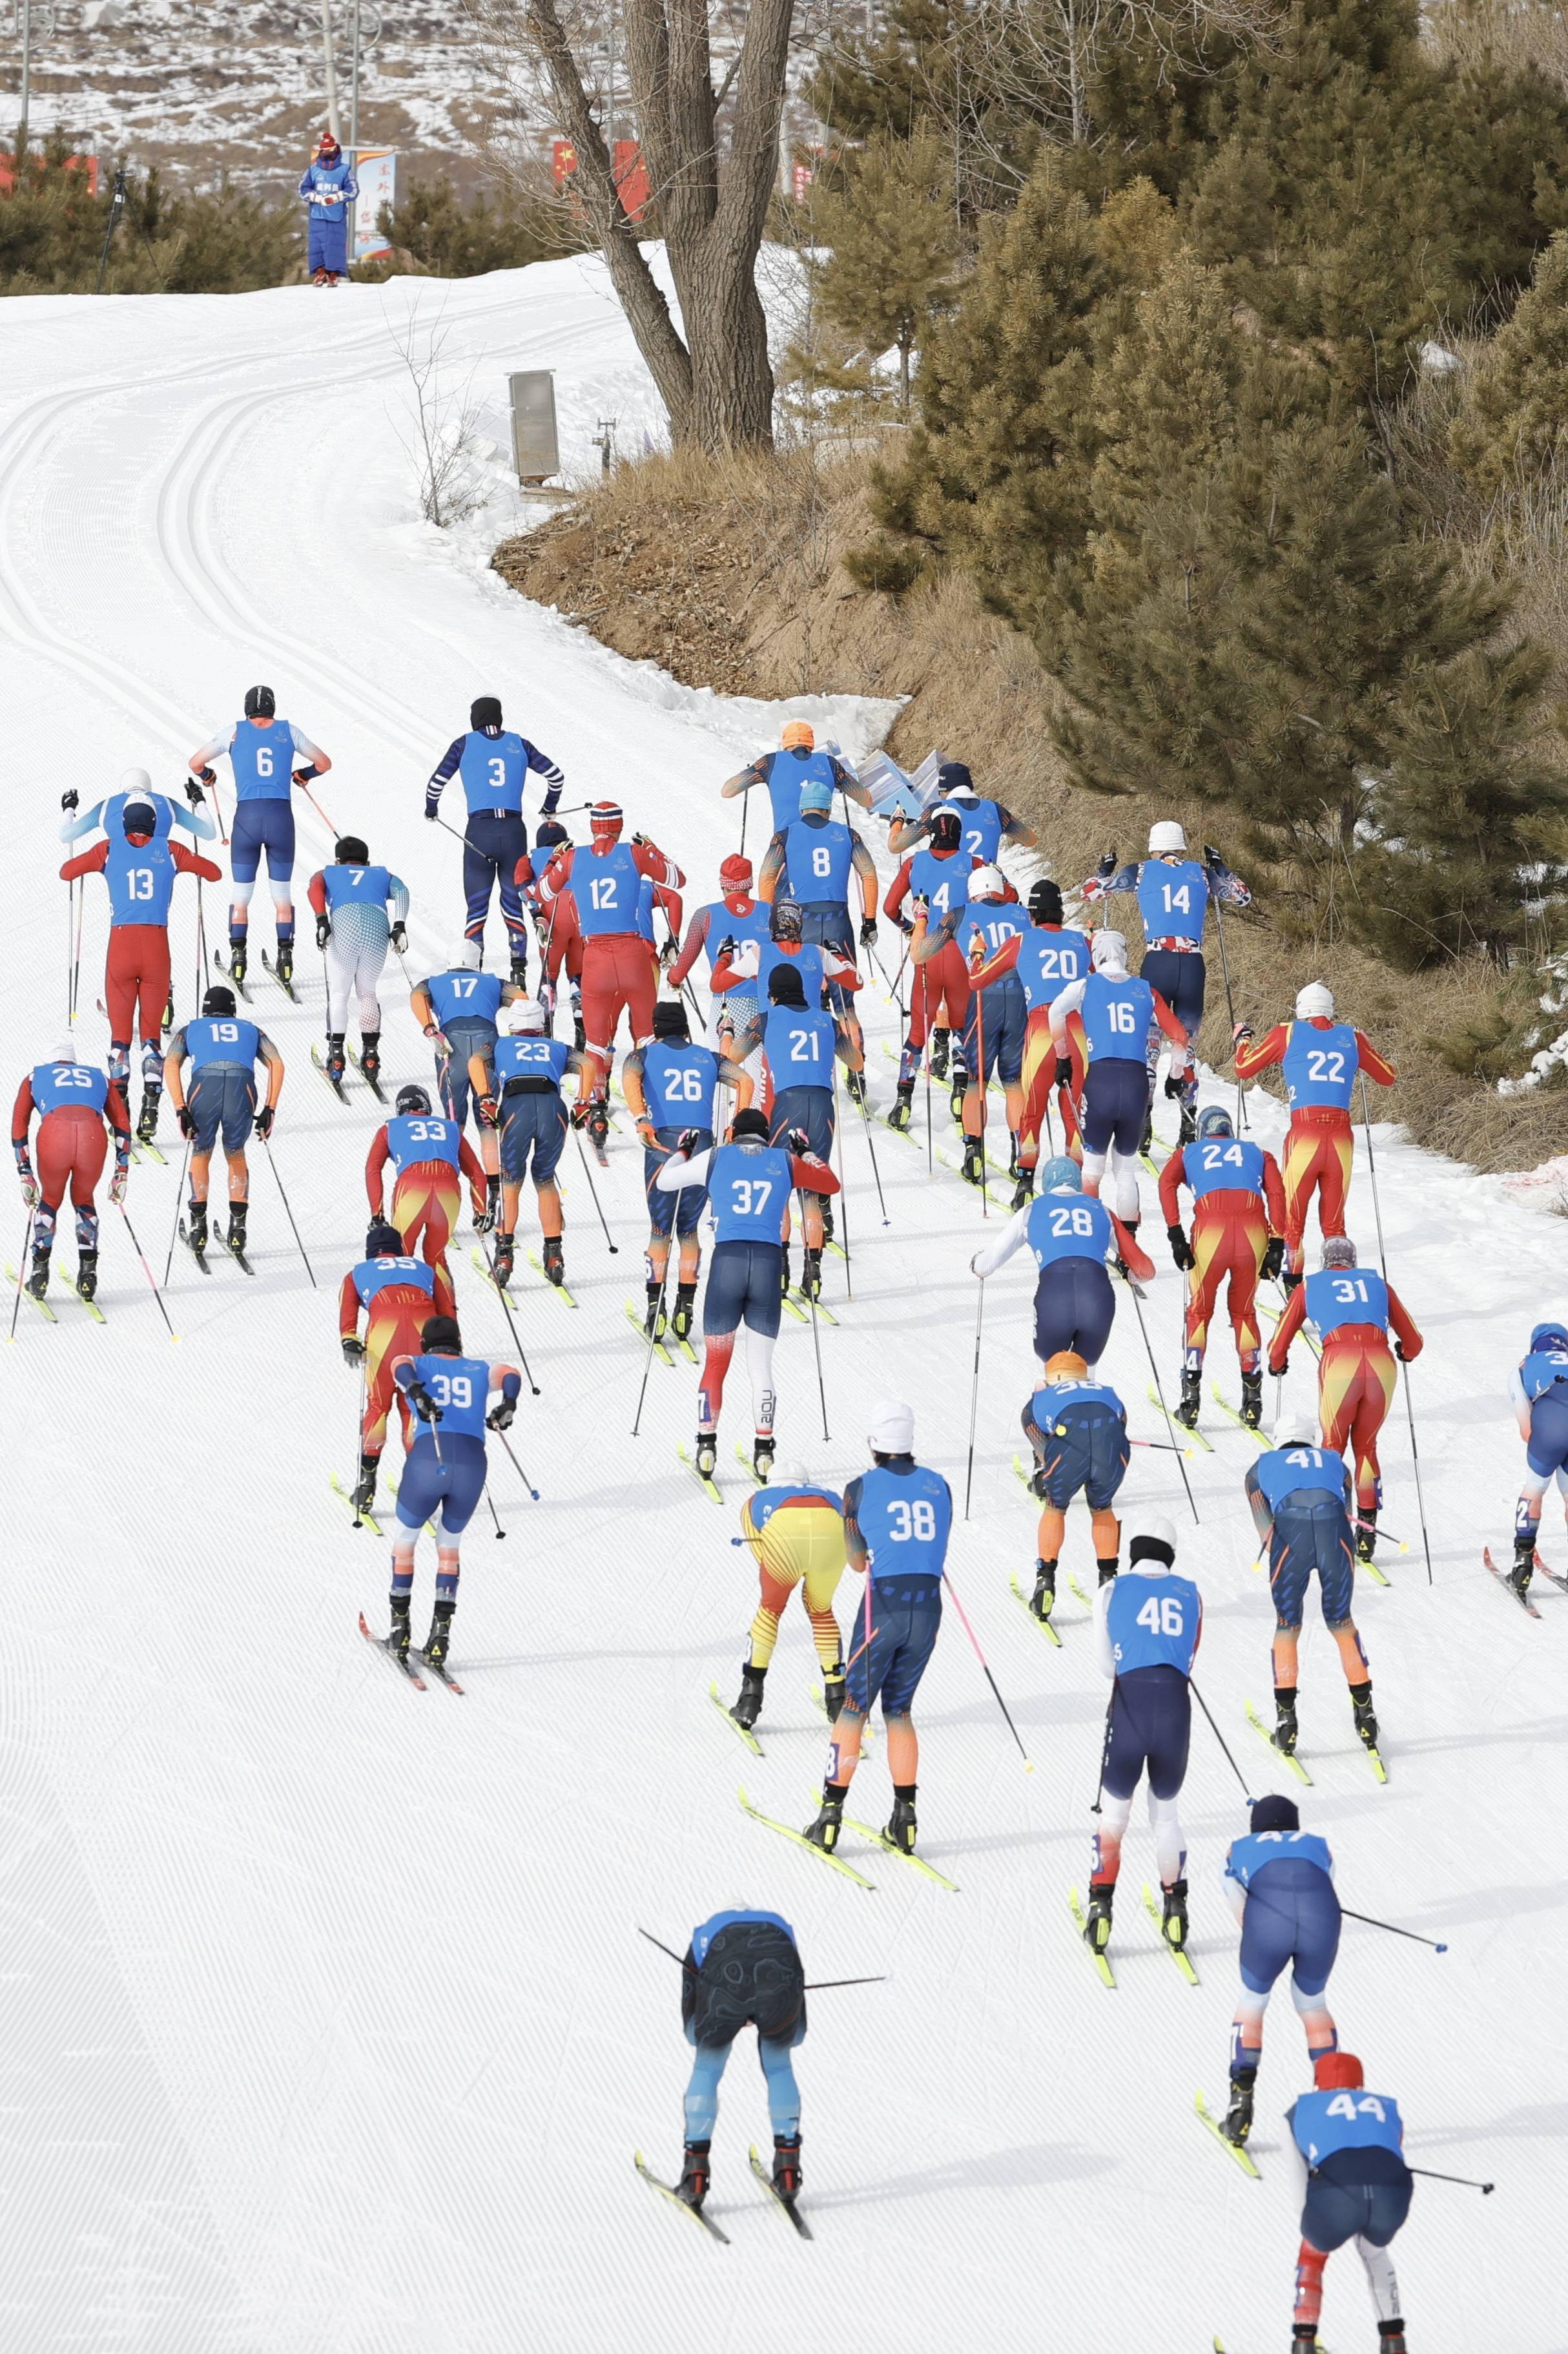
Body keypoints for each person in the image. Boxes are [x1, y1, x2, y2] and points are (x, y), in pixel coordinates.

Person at [655, 1109, 840, 1482]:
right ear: (767, 1136)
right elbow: (830, 1183)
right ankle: (764, 1453)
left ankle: (707, 1447)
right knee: (761, 1367)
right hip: (769, 1265)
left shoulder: (717, 1156)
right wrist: (804, 1152)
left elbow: (665, 1183)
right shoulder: (783, 1160)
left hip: (729, 1264)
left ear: (733, 1133)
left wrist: (684, 1151)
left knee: (716, 1363)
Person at [803, 1401, 949, 1859]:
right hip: (927, 1609)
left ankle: (830, 1817)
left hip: (883, 1606)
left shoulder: (858, 1489)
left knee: (853, 1706)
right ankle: (905, 1820)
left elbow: (855, 1562)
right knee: (900, 1710)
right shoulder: (940, 1486)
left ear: (874, 1446)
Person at [59, 795, 223, 1142]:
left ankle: (121, 1113)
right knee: (150, 1037)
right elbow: (214, 873)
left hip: (120, 947)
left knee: (120, 1038)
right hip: (156, 948)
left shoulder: (108, 848)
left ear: (124, 825)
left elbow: (66, 872)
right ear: (153, 824)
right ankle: (151, 1107)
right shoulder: (171, 849)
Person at [1080, 822, 1251, 1138]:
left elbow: (1089, 892)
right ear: (1183, 846)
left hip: (1158, 961)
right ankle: (1189, 1120)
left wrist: (1103, 871)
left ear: (1153, 846)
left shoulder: (1142, 871)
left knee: (1150, 1044)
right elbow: (1243, 897)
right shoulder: (1201, 873)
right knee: (1185, 1044)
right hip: (1193, 964)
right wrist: (1222, 869)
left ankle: (1143, 1119)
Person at [1081, 1517, 1200, 1961]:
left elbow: (1107, 1668)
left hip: (1129, 1709)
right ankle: (1175, 1909)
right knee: (1165, 1817)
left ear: (1134, 1552)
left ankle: (1101, 1909)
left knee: (1115, 1818)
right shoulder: (1191, 1593)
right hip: (1174, 1710)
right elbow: (1188, 1657)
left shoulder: (1111, 1591)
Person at [1267, 1235, 1423, 1574]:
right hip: (1382, 1363)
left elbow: (1281, 1338)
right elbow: (1414, 1341)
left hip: (1340, 1363)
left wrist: (1277, 1362)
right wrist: (1404, 1353)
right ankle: (1366, 1532)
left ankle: (1326, 1528)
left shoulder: (1310, 1285)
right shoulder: (1377, 1283)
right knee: (1366, 1446)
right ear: (1353, 1261)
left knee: (1332, 1448)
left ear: (1325, 1262)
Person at [536, 802, 685, 1148]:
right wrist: (651, 848)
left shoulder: (573, 858)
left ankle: (591, 1103)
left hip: (596, 957)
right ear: (619, 827)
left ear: (592, 829)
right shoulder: (633, 853)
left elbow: (540, 892)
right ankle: (652, 1103)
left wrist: (556, 860)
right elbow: (678, 880)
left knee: (596, 1040)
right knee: (647, 1036)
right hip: (634, 954)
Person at [1234, 985, 1397, 1283]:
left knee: (1293, 1222)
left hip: (1304, 1135)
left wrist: (1243, 1040)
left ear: (1300, 1009)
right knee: (1334, 1225)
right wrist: (1362, 1044)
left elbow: (1243, 1069)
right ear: (1330, 1008)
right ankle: (1338, 1289)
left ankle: (1293, 1289)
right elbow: (1388, 1076)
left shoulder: (1288, 1032)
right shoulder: (1352, 1036)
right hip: (1340, 1139)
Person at [387, 1315, 522, 1665]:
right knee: (448, 1546)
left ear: (426, 1344)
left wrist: (415, 1390)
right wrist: (508, 1404)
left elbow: (398, 1364)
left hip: (429, 1458)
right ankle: (440, 1636)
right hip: (473, 1465)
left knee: (405, 1540)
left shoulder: (421, 1361)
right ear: (459, 1343)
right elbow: (512, 1373)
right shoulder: (478, 1369)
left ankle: (400, 1628)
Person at [1246, 1415, 1377, 1764]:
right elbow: (1346, 1510)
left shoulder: (1259, 1467)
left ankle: (1286, 1721)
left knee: (1287, 1625)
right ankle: (1366, 1717)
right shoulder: (1335, 1460)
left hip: (1291, 1537)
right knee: (1341, 1622)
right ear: (1311, 1439)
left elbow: (1266, 1532)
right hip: (1336, 1532)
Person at [622, 998, 751, 1344]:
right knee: (689, 1230)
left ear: (657, 1030)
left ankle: (655, 1307)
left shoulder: (644, 1055)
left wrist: (641, 1118)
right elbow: (745, 1081)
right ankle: (686, 1305)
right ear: (685, 1028)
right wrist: (736, 1125)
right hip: (703, 1143)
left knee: (660, 1229)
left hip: (664, 1142)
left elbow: (628, 1076)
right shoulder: (708, 1058)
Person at [1049, 929, 1190, 1245]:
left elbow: (1056, 1011)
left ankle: (1089, 1236)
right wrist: (1176, 1074)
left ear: (1095, 956)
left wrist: (1063, 1057)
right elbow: (1180, 1036)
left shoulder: (1085, 985)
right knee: (1125, 1170)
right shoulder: (1146, 990)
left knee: (1093, 1168)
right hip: (1137, 1081)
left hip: (1101, 1079)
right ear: (1125, 955)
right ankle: (1129, 1243)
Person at [188, 685, 331, 987]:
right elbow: (324, 763)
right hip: (280, 818)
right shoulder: (289, 731)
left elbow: (196, 763)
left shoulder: (234, 732)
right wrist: (304, 775)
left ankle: (238, 960)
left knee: (241, 895)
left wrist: (207, 778)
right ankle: (286, 961)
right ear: (273, 708)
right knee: (282, 896)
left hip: (247, 821)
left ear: (246, 709)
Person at [1219, 1795, 1341, 2148]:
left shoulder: (1238, 1848)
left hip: (1267, 1924)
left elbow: (1235, 1898)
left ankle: (1241, 2100)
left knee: (1253, 1998)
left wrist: (1260, 1938)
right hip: (1323, 1922)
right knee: (1313, 2005)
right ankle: (1331, 2099)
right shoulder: (1318, 1844)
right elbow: (1326, 1883)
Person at [1159, 1104, 1288, 1429]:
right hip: (1253, 1231)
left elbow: (1166, 1184)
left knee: (1199, 1312)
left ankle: (1190, 1399)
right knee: (1244, 1313)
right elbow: (1276, 1191)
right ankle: (1253, 1400)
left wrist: (1175, 1234)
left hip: (1210, 1233)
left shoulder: (1189, 1151)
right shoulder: (1258, 1152)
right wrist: (1277, 1242)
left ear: (1203, 1131)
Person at [967, 878, 1091, 1205]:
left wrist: (977, 954)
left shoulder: (1021, 940)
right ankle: (1074, 1188)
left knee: (1032, 1114)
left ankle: (1025, 1185)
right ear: (1062, 913)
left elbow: (977, 980)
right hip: (1077, 1032)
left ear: (1032, 915)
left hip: (1041, 1032)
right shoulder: (1081, 941)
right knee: (1073, 1114)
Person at [425, 695, 565, 981]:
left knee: (477, 904)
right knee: (513, 901)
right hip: (514, 830)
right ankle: (519, 970)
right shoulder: (520, 744)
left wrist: (431, 809)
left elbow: (436, 783)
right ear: (499, 718)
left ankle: (473, 969)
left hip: (479, 832)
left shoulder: (463, 744)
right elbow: (556, 776)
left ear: (475, 719)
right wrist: (550, 807)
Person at [969, 1155, 1153, 1373]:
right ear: (1077, 1182)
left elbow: (985, 1266)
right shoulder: (1101, 1210)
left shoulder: (1031, 1211)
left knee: (1049, 1379)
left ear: (1046, 1183)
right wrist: (1132, 1277)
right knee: (1084, 1378)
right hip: (1097, 1300)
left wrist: (976, 1263)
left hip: (1054, 1299)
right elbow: (1145, 1270)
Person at [676, 1908, 808, 2211]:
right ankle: (788, 2169)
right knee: (779, 2063)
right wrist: (763, 2013)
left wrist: (732, 2015)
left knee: (707, 2066)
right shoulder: (783, 1928)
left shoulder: (702, 1936)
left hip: (724, 1980)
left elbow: (693, 2034)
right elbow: (797, 2035)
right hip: (779, 1968)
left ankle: (695, 2172)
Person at [1286, 2051, 1414, 2354]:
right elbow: (1390, 2153)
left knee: (1312, 2254)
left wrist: (1311, 2223)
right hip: (1392, 2196)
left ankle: (1304, 2342)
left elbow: (1296, 2176)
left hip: (1336, 2199)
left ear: (1319, 2082)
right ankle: (1394, 2342)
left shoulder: (1301, 2108)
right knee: (1375, 2253)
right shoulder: (1387, 2106)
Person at [913, 865, 1027, 1182]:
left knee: (976, 1081)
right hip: (1019, 1000)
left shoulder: (958, 913)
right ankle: (1021, 1154)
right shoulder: (1021, 915)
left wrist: (921, 918)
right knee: (1014, 1082)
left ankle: (973, 1152)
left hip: (983, 998)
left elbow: (920, 955)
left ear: (972, 892)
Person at [468, 998, 587, 1291]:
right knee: (545, 1179)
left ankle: (504, 1256)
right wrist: (584, 1101)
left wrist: (486, 1098)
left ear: (512, 1026)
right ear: (540, 1026)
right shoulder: (556, 1047)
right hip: (553, 1108)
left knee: (511, 1182)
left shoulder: (499, 1044)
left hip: (516, 1109)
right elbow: (587, 1063)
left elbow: (474, 1062)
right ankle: (554, 1255)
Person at [759, 964, 861, 1300]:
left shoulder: (766, 1017)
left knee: (781, 1186)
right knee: (811, 1192)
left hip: (787, 1104)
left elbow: (734, 1054)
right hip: (822, 1107)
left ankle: (781, 1271)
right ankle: (813, 1272)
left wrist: (727, 1031)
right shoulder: (825, 1020)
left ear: (774, 995)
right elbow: (857, 1063)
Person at [339, 1222, 457, 1513]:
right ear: (399, 1251)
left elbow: (347, 1315)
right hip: (423, 1338)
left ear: (372, 1253)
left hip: (384, 1338)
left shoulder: (356, 1273)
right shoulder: (424, 1269)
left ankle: (366, 1486)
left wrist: (349, 1340)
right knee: (413, 1409)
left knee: (379, 1407)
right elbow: (447, 1310)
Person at [757, 776, 880, 1055]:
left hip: (804, 923)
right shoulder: (848, 834)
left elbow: (767, 876)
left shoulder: (785, 835)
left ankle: (812, 1056)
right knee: (846, 1005)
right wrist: (869, 920)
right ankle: (856, 1067)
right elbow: (869, 875)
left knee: (806, 997)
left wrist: (768, 918)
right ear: (828, 809)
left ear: (802, 809)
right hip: (838, 920)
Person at [163, 985, 285, 1262]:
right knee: (235, 1152)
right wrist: (270, 1108)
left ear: (205, 1010)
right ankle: (238, 1228)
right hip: (242, 1090)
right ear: (233, 1010)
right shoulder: (251, 1029)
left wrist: (180, 1108)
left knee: (201, 1152)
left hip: (203, 1088)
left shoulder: (190, 1028)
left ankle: (198, 1226)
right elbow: (277, 1064)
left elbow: (170, 1064)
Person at [409, 941, 521, 1225]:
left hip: (452, 1047)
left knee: (452, 1124)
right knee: (488, 1123)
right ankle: (494, 1194)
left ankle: (446, 1189)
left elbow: (417, 994)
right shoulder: (494, 982)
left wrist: (429, 1028)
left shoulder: (435, 981)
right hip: (487, 1045)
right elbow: (523, 1000)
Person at [727, 1474, 848, 1729]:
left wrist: (778, 1578)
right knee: (821, 1611)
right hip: (832, 1535)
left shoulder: (758, 1498)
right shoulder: (829, 1493)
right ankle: (838, 1699)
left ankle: (750, 1698)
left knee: (770, 1611)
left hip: (784, 1541)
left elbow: (760, 1549)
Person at [12, 1045, 131, 1303]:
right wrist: (121, 1171)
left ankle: (40, 1273)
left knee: (50, 1201)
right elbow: (122, 1124)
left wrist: (25, 1173)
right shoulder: (100, 1076)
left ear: (50, 1062)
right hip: (92, 1136)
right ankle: (88, 1276)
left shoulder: (35, 1076)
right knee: (85, 1200)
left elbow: (19, 1124)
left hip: (55, 1135)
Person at [1020, 1351, 1129, 1624]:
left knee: (1055, 1509)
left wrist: (1048, 1477)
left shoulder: (1040, 1398)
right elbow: (1121, 1425)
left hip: (1068, 1451)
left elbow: (1040, 1445)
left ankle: (1045, 1581)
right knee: (1102, 1509)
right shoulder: (1108, 1391)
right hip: (1112, 1450)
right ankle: (1109, 1583)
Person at [882, 806, 978, 1116]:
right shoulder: (973, 863)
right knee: (963, 1027)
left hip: (927, 953)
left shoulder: (914, 862)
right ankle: (961, 1092)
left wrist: (909, 928)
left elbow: (889, 908)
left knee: (918, 1032)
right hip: (959, 954)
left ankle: (903, 1100)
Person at [307, 835, 409, 1087]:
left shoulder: (327, 872)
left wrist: (322, 919)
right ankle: (371, 1056)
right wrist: (399, 925)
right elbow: (403, 892)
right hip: (377, 927)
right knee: (367, 993)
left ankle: (336, 1056)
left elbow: (314, 887)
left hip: (345, 924)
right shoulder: (383, 874)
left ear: (338, 861)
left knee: (340, 994)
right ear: (368, 861)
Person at [365, 1085, 489, 1271]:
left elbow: (372, 1169)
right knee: (437, 1258)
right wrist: (481, 1211)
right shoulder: (450, 1127)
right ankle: (447, 1301)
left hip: (411, 1190)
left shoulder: (390, 1127)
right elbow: (476, 1172)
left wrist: (377, 1213)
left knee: (401, 1258)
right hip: (448, 1193)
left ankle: (407, 1300)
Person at [665, 853, 772, 1068]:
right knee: (757, 1081)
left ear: (723, 884)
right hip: (763, 1004)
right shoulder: (770, 912)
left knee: (722, 1077)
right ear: (749, 884)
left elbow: (682, 966)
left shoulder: (705, 915)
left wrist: (673, 978)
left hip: (726, 1005)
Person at [1505, 1320, 1568, 1600]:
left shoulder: (1524, 1366)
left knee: (1535, 1487)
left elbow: (1526, 1430)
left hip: (1551, 1426)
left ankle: (1522, 1564)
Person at [721, 720, 870, 833]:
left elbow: (727, 792)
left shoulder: (770, 762)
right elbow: (866, 799)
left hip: (785, 845)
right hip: (821, 841)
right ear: (811, 743)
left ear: (785, 743)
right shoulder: (829, 763)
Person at [888, 760, 1037, 864]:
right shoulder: (996, 810)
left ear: (944, 789)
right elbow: (1030, 840)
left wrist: (897, 821)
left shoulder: (938, 810)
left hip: (953, 889)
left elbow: (895, 846)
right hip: (988, 890)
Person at [60, 765, 216, 849]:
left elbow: (66, 836)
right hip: (158, 866)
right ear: (148, 787)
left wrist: (69, 807)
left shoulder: (106, 806)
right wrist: (199, 799)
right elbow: (209, 833)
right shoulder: (167, 803)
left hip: (120, 869)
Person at [298, 129, 358, 286]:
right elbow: (302, 189)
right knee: (316, 246)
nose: (327, 153)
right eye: (324, 150)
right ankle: (319, 272)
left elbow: (353, 191)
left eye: (330, 150)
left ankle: (333, 273)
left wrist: (337, 197)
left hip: (336, 215)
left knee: (334, 244)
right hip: (317, 214)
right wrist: (316, 197)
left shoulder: (345, 170)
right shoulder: (313, 170)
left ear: (336, 150)